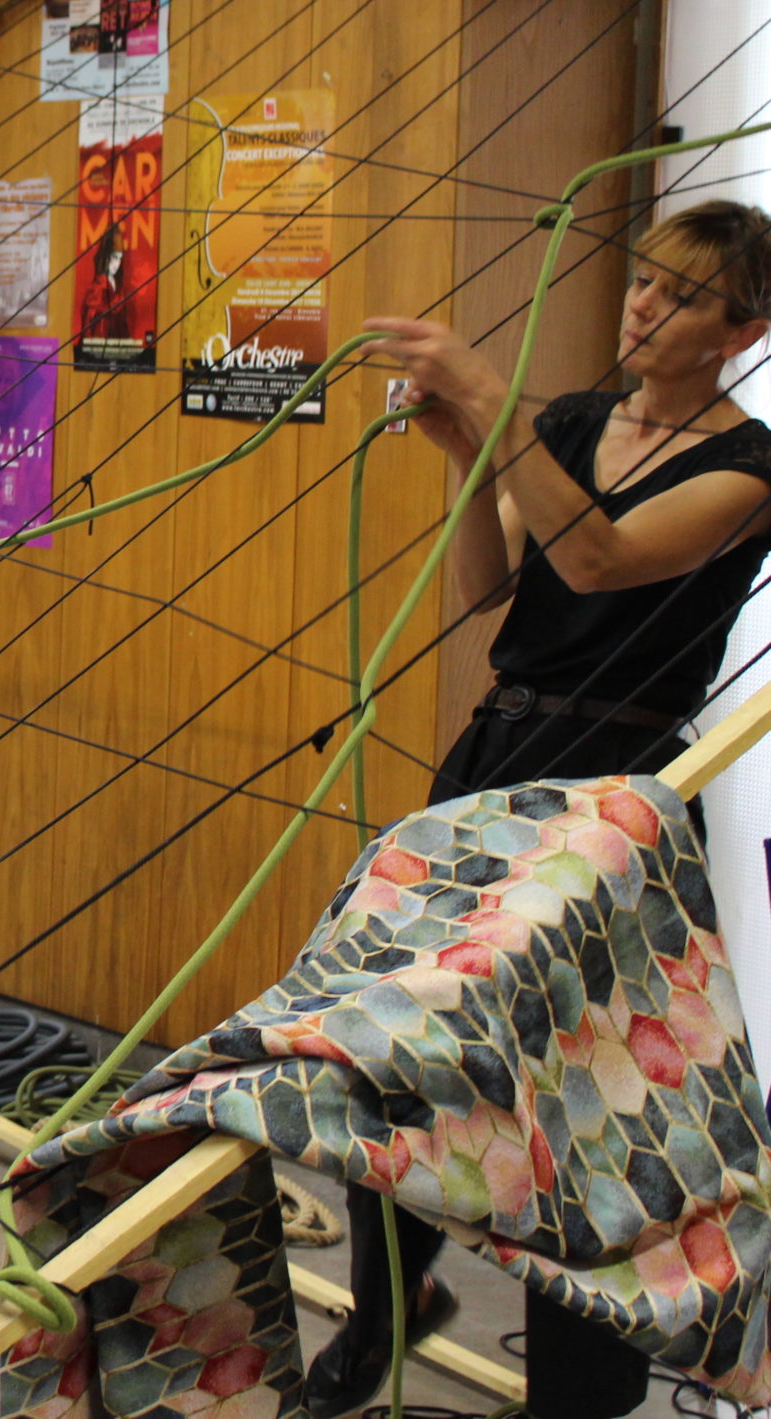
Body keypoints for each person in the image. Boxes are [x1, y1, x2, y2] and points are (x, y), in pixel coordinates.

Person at [312, 199, 771, 1419]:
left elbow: (603, 560)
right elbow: (488, 587)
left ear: (741, 331)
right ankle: (386, 1309)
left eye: (680, 299)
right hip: (497, 754)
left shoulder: (750, 466)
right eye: (640, 285)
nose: (644, 309)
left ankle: (584, 1381)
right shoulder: (567, 421)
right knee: (392, 1033)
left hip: (617, 793)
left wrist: (490, 401)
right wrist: (467, 455)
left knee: (582, 1094)